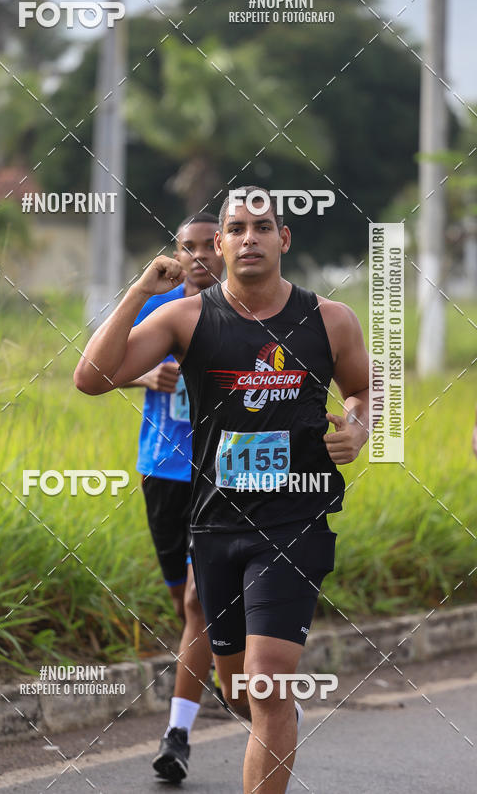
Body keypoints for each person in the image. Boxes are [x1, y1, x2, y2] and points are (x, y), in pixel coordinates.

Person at [75, 187, 370, 793]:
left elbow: (369, 388)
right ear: (219, 244)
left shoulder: (330, 320)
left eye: (263, 226)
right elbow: (92, 378)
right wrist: (138, 292)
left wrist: (359, 428)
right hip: (215, 525)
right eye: (236, 228)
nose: (249, 238)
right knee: (240, 692)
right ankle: (277, 720)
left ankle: (275, 712)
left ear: (284, 239)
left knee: (266, 680)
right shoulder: (186, 317)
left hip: (295, 521)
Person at [124, 212, 224, 781]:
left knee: (195, 603)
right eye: (186, 247)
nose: (198, 256)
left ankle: (177, 735)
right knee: (186, 604)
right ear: (177, 254)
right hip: (163, 470)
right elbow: (98, 370)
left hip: (222, 476)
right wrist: (147, 378)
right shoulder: (155, 310)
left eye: (208, 245)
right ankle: (243, 687)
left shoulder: (239, 311)